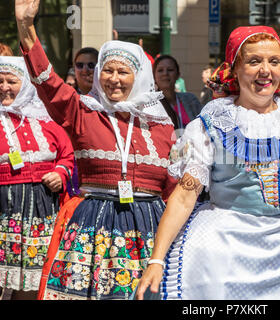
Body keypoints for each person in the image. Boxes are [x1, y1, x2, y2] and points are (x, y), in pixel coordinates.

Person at [135, 26, 280, 301]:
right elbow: (185, 194)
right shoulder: (211, 122)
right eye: (254, 61)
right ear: (234, 69)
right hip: (225, 251)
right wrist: (156, 260)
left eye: (273, 61)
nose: (265, 70)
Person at [15, 0, 177, 300]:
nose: (114, 79)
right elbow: (47, 83)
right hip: (94, 223)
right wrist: (26, 27)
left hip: (150, 228)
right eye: (108, 70)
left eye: (123, 72)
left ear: (139, 77)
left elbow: (174, 188)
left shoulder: (161, 126)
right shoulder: (84, 113)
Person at [0, 56, 74, 300]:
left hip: (42, 209)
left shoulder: (45, 120)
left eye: (12, 81)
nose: (4, 87)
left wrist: (60, 173)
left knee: (32, 277)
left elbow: (67, 154)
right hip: (4, 209)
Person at [153, 55, 202, 130]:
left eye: (170, 70)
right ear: (154, 76)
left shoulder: (191, 100)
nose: (165, 73)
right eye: (160, 70)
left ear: (178, 74)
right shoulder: (149, 105)